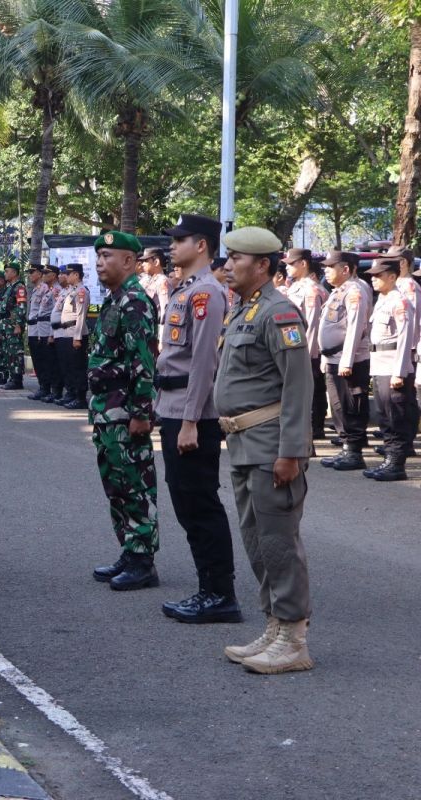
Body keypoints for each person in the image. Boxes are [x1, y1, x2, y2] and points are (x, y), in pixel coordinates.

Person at [214, 226, 314, 675]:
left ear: (262, 267)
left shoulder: (279, 314)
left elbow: (298, 388)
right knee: (257, 542)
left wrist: (291, 451)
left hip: (271, 445)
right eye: (228, 258)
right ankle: (274, 627)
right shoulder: (246, 309)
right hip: (243, 444)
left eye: (237, 259)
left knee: (278, 543)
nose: (228, 265)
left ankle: (294, 640)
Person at [156, 214, 240, 624]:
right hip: (172, 409)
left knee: (200, 504)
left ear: (202, 245)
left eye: (180, 239)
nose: (172, 246)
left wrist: (190, 421)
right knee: (186, 502)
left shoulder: (207, 293)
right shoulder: (185, 289)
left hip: (193, 416)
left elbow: (205, 363)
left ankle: (220, 594)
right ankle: (208, 589)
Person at [87, 231, 160, 591]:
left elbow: (143, 361)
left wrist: (141, 413)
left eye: (109, 256)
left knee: (134, 485)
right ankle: (128, 549)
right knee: (115, 484)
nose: (101, 262)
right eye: (98, 256)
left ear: (130, 261)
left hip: (125, 412)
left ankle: (143, 559)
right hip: (106, 411)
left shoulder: (135, 302)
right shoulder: (114, 300)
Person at [362, 255, 419, 481]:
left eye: (378, 276)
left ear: (393, 276)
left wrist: (400, 371)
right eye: (372, 276)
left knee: (396, 416)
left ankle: (396, 463)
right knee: (384, 415)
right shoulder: (383, 300)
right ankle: (389, 460)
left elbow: (406, 338)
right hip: (379, 364)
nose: (374, 280)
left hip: (393, 366)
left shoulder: (400, 301)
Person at [317, 250, 372, 471]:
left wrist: (347, 361)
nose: (326, 271)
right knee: (338, 405)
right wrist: (325, 355)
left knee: (352, 405)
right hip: (333, 358)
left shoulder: (356, 291)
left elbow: (355, 328)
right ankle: (346, 447)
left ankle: (355, 452)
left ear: (346, 269)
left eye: (330, 267)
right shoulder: (338, 291)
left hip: (349, 360)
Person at [283, 247, 329, 439]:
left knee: (311, 393)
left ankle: (314, 430)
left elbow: (312, 325)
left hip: (308, 351)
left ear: (303, 264)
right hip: (294, 347)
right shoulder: (295, 287)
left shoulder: (311, 290)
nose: (287, 268)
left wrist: (307, 355)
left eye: (291, 264)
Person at [55, 263, 88, 408]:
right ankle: (72, 394)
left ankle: (81, 398)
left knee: (78, 368)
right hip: (66, 333)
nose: (65, 277)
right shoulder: (70, 291)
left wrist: (77, 337)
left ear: (76, 275)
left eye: (68, 274)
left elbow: (81, 315)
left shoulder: (81, 291)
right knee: (68, 366)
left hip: (75, 333)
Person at [0, 261, 28, 390]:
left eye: (7, 271)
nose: (5, 273)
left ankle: (17, 379)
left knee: (16, 352)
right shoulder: (9, 287)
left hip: (14, 325)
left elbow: (21, 307)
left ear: (14, 273)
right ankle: (12, 377)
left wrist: (18, 324)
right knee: (9, 352)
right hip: (7, 325)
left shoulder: (19, 287)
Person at [26, 266, 51, 398]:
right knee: (36, 359)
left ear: (40, 274)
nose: (30, 275)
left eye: (32, 272)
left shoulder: (44, 288)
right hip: (32, 329)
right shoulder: (36, 289)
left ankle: (45, 387)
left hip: (40, 329)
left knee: (42, 360)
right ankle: (42, 386)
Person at [140, 248, 171, 346]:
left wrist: (162, 339)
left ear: (156, 262)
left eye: (146, 261)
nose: (142, 264)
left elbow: (165, 312)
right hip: (140, 330)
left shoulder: (163, 282)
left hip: (153, 332)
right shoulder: (144, 280)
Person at [44, 266, 66, 403]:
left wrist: (51, 334)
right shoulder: (52, 290)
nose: (43, 275)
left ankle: (56, 391)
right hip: (49, 329)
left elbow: (57, 313)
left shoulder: (57, 290)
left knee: (55, 364)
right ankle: (51, 390)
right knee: (49, 363)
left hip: (56, 330)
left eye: (46, 273)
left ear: (53, 275)